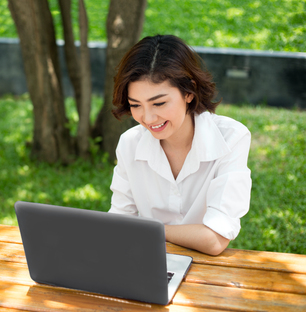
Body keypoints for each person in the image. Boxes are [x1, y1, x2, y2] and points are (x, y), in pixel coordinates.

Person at [108, 34, 252, 256]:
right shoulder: (130, 143)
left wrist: (150, 231)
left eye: (159, 103)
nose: (148, 118)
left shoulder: (231, 138)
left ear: (188, 92)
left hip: (205, 269)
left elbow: (214, 239)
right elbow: (119, 225)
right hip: (145, 263)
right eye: (135, 105)